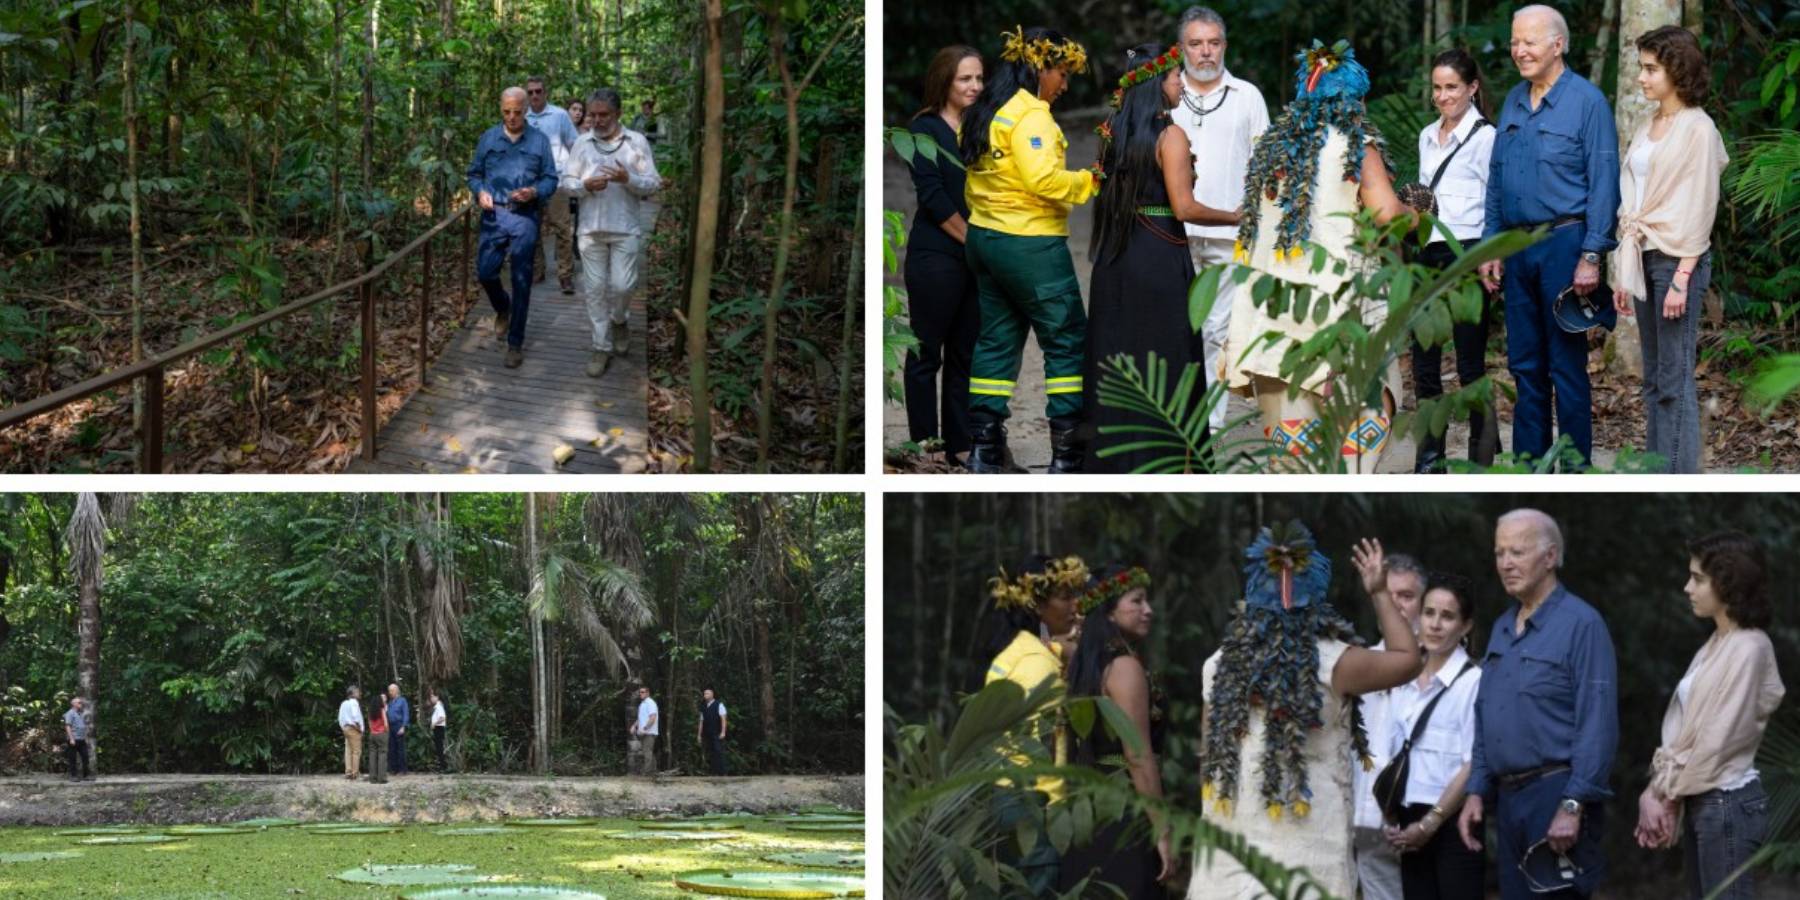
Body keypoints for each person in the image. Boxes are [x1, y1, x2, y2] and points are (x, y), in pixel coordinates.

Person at [1191, 526, 1422, 899]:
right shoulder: (1333, 662)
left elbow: (1208, 759)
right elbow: (1408, 660)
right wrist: (1379, 593)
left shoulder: (1218, 665)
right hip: (1310, 849)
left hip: (1231, 852)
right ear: (1315, 597)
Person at [1221, 40, 1411, 472]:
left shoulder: (1271, 151)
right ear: (1355, 99)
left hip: (1273, 318)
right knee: (1357, 449)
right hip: (1340, 313)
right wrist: (1415, 213)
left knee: (1293, 466)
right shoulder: (1355, 145)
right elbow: (1386, 216)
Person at [1084, 43, 1239, 473]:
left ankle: (1121, 457)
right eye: (1174, 77)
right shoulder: (1170, 135)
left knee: (1122, 354)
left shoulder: (1112, 131)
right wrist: (1234, 216)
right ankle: (1166, 458)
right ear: (1156, 84)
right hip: (1158, 256)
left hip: (1117, 256)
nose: (1181, 83)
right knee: (1167, 356)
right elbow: (1185, 207)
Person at [1478, 5, 1621, 470]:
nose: (1519, 51)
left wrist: (1592, 254)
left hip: (1566, 244)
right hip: (1517, 248)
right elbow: (1497, 178)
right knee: (1524, 367)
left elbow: (1604, 182)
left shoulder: (1587, 101)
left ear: (1557, 45)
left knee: (1567, 368)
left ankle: (1576, 470)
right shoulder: (1515, 100)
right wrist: (1491, 244)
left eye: (1530, 42)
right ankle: (1529, 466)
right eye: (1515, 42)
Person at [1457, 509, 1618, 898]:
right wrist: (1476, 789)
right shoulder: (1500, 627)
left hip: (1556, 792)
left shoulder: (1582, 624)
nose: (1506, 563)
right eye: (1499, 553)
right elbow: (1486, 715)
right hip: (1509, 800)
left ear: (1549, 557)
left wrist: (1573, 803)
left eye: (1518, 552)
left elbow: (1598, 722)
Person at [960, 26, 1098, 473]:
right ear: (1039, 66)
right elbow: (1044, 181)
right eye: (1061, 73)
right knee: (1066, 340)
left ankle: (984, 449)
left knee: (997, 339)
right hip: (1029, 243)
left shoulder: (990, 108)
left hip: (985, 238)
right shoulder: (1032, 115)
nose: (1064, 84)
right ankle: (1067, 452)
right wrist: (1090, 180)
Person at [1635, 531, 1785, 899]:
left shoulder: (1749, 648)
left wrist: (1664, 795)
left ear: (1728, 582)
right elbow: (1689, 733)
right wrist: (1656, 790)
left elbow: (1717, 742)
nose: (1688, 588)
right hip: (1704, 797)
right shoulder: (1719, 641)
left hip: (1726, 800)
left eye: (1698, 578)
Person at [1608, 27, 1728, 474]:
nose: (1641, 77)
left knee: (1675, 380)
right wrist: (1625, 273)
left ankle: (1678, 474)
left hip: (1679, 259)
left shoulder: (1698, 128)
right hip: (1642, 254)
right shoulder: (1648, 123)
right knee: (1654, 378)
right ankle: (1658, 467)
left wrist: (1682, 276)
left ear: (1677, 70)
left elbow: (1701, 206)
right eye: (1641, 67)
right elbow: (1635, 198)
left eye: (1650, 68)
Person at [1170, 6, 1269, 435]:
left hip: (1231, 236)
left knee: (1217, 332)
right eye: (1196, 43)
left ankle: (1207, 429)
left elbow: (1266, 164)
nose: (1206, 52)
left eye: (1213, 43)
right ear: (1181, 49)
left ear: (1225, 46)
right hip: (1173, 233)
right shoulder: (1166, 94)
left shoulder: (1247, 95)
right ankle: (1171, 420)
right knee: (1175, 328)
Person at [1411, 48, 1500, 473]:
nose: (1443, 96)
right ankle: (1430, 460)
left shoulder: (1486, 138)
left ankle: (1481, 461)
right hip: (1428, 252)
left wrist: (1492, 257)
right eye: (1437, 88)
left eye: (1451, 87)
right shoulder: (1427, 135)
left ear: (1472, 89)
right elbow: (1427, 198)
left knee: (1469, 363)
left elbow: (1495, 201)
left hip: (1468, 253)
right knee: (1424, 359)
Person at [1058, 564, 1171, 896]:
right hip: (1124, 815)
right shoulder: (1123, 667)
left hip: (1085, 815)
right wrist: (1162, 829)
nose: (1147, 610)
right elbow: (1137, 755)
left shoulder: (1086, 665)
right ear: (1108, 613)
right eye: (1136, 601)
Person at [981, 554, 1088, 895]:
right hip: (1032, 802)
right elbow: (1047, 745)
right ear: (1037, 605)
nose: (1076, 605)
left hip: (1003, 795)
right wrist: (1057, 811)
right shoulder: (1039, 666)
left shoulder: (1013, 655)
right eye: (1065, 597)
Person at [902, 46, 985, 467]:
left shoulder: (982, 126)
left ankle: (961, 443)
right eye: (964, 79)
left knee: (964, 354)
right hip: (936, 256)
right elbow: (932, 196)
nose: (974, 86)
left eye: (978, 78)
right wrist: (972, 240)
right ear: (944, 82)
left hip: (976, 257)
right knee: (925, 354)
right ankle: (926, 447)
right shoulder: (924, 129)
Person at [1384, 572, 1486, 899]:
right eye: (1429, 613)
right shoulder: (1404, 677)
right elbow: (1393, 749)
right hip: (1407, 819)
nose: (1435, 624)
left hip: (1453, 820)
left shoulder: (1474, 681)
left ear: (1465, 627)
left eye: (1447, 616)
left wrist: (1429, 824)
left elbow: (1473, 762)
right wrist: (1390, 814)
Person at [562, 88, 661, 377]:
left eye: (603, 114)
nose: (597, 120)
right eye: (592, 114)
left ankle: (620, 319)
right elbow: (567, 182)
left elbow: (653, 183)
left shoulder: (637, 142)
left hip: (625, 229)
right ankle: (600, 347)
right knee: (594, 291)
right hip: (590, 230)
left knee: (622, 286)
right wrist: (584, 186)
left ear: (617, 114)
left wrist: (628, 179)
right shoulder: (582, 143)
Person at [1352, 554, 1428, 900]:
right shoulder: (1357, 664)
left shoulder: (1442, 670)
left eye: (1407, 596)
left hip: (1416, 824)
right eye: (1388, 593)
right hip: (1358, 820)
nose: (1395, 603)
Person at [467, 87, 559, 369]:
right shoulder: (489, 137)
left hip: (524, 218)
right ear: (500, 108)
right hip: (493, 216)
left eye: (517, 112)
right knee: (485, 272)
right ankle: (502, 308)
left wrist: (534, 191)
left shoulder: (539, 141)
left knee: (521, 280)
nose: (511, 117)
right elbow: (474, 174)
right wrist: (480, 191)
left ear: (526, 110)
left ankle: (515, 343)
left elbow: (550, 179)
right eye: (506, 112)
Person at [524, 75, 580, 296]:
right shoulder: (522, 116)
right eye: (530, 92)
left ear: (545, 92)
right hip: (530, 183)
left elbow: (575, 144)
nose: (535, 95)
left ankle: (565, 275)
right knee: (532, 228)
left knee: (562, 229)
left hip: (556, 180)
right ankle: (538, 270)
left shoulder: (559, 115)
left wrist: (573, 174)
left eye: (538, 91)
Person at [338, 686, 366, 780]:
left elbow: (340, 718)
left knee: (348, 751)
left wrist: (343, 728)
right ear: (352, 694)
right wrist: (359, 728)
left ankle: (348, 772)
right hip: (354, 728)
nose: (359, 693)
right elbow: (355, 717)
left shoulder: (344, 703)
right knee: (356, 751)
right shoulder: (354, 702)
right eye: (357, 692)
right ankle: (355, 773)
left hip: (346, 728)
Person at [698, 687, 728, 776]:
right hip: (707, 733)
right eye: (704, 694)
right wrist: (699, 735)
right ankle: (714, 772)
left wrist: (723, 732)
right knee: (711, 752)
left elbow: (723, 719)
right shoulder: (703, 707)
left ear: (712, 694)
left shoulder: (719, 704)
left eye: (707, 693)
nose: (705, 695)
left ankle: (722, 772)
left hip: (717, 732)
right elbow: (701, 722)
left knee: (718, 751)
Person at [630, 685, 659, 775]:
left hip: (649, 732)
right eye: (640, 692)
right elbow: (640, 718)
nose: (640, 694)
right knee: (648, 751)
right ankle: (652, 771)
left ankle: (647, 773)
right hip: (643, 732)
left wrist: (645, 728)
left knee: (647, 752)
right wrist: (634, 726)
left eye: (643, 692)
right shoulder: (643, 704)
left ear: (648, 693)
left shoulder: (650, 703)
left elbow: (653, 717)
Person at [62, 696, 92, 782]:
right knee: (72, 758)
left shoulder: (80, 713)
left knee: (85, 757)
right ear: (74, 704)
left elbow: (83, 727)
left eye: (81, 702)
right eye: (79, 702)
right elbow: (68, 726)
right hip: (73, 739)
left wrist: (85, 738)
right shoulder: (70, 713)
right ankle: (73, 776)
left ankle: (86, 776)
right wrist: (71, 739)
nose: (81, 704)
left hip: (81, 740)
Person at [387, 683, 410, 776]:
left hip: (399, 725)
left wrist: (403, 726)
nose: (390, 692)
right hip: (390, 726)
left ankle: (402, 769)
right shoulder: (390, 702)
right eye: (389, 690)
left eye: (391, 690)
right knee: (392, 748)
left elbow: (406, 714)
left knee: (400, 748)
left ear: (396, 690)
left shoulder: (402, 701)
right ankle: (394, 769)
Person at [367, 695, 389, 784]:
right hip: (381, 734)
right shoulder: (382, 710)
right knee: (382, 755)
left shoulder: (370, 711)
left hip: (372, 734)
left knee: (372, 756)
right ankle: (382, 778)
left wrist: (373, 730)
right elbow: (386, 723)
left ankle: (372, 778)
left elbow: (369, 724)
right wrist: (386, 732)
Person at [429, 691, 449, 773]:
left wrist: (434, 723)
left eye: (432, 696)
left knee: (439, 748)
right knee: (438, 748)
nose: (431, 698)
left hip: (439, 728)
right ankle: (441, 765)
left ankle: (443, 766)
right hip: (437, 728)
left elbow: (442, 718)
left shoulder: (439, 706)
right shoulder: (437, 707)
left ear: (437, 697)